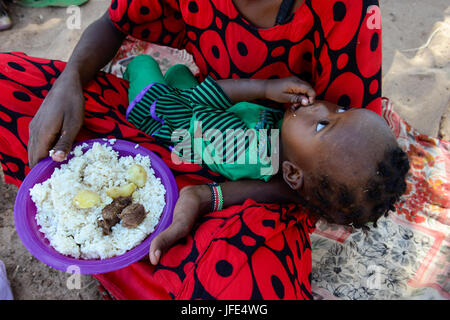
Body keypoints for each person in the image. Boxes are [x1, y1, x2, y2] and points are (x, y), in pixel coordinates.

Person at [0, 0, 387, 299]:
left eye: (327, 118)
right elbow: (114, 22)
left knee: (237, 283)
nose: (322, 109)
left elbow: (341, 172)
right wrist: (68, 82)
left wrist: (209, 196)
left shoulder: (345, 11)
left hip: (262, 193)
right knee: (7, 84)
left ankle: (152, 266)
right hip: (182, 118)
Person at [123, 55, 409, 265]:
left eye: (323, 125)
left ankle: (129, 77)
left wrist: (262, 88)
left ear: (293, 173)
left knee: (144, 64)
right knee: (179, 70)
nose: (322, 105)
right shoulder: (290, 157)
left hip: (167, 117)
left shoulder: (242, 148)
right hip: (202, 110)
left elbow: (202, 101)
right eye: (342, 109)